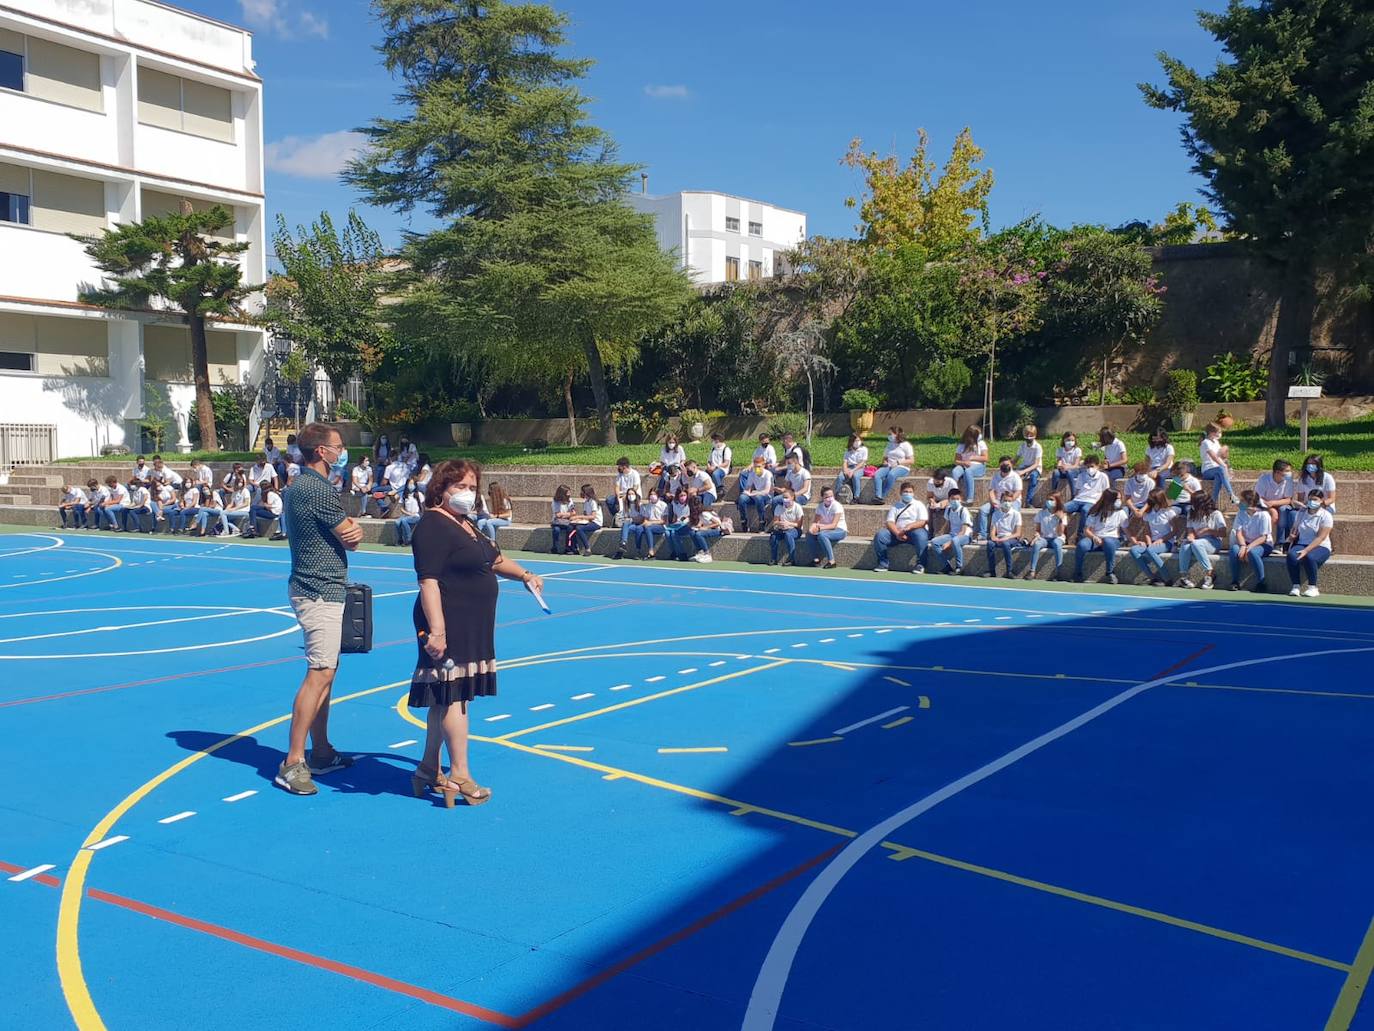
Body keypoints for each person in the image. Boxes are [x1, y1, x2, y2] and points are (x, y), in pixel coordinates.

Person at [407, 459, 543, 807]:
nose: (467, 493)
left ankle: (427, 768)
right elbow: (429, 581)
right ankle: (461, 774)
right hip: (449, 622)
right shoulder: (433, 526)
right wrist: (437, 631)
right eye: (460, 487)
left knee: (445, 696)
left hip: (473, 622)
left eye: (471, 487)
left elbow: (495, 561)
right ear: (441, 488)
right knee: (455, 696)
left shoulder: (467, 524)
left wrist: (526, 576)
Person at [276, 422, 364, 796]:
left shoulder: (299, 486)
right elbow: (351, 536)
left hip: (317, 586)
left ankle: (322, 750)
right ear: (321, 452)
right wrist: (352, 530)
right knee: (320, 672)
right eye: (338, 447)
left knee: (327, 670)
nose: (342, 452)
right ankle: (294, 760)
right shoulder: (318, 490)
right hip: (319, 589)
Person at [873, 481, 929, 574]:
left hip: (914, 532)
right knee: (880, 535)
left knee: (921, 535)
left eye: (910, 492)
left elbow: (923, 521)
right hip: (897, 533)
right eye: (905, 492)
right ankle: (883, 563)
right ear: (901, 493)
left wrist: (909, 527)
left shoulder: (919, 505)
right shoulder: (896, 506)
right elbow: (890, 522)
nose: (908, 494)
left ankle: (921, 564)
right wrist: (897, 533)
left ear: (913, 493)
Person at [1286, 489, 1334, 598]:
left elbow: (1321, 537)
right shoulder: (1301, 513)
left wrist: (1306, 550)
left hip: (1321, 546)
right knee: (1291, 556)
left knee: (1309, 557)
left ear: (1321, 501)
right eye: (1310, 499)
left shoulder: (1326, 516)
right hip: (1302, 543)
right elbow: (1295, 529)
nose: (1312, 501)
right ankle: (1296, 586)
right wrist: (1292, 536)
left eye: (1315, 499)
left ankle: (1313, 587)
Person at [1128, 489, 1181, 587]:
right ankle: (1152, 578)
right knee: (1134, 550)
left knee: (1150, 551)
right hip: (1152, 543)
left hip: (1166, 542)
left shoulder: (1169, 512)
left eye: (1152, 498)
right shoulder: (1148, 513)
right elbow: (1147, 531)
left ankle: (1167, 578)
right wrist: (1149, 543)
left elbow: (1175, 531)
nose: (1149, 499)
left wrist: (1161, 540)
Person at [1074, 489, 1127, 584]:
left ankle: (1110, 572)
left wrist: (1135, 541)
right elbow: (1086, 530)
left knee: (1108, 542)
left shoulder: (1121, 512)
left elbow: (1127, 530)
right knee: (1082, 545)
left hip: (1112, 539)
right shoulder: (1095, 512)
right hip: (1096, 539)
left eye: (1119, 498)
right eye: (1117, 499)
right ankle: (1077, 573)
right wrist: (1094, 537)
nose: (1119, 501)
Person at [1176, 491, 1227, 590]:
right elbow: (1190, 530)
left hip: (1213, 542)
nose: (1192, 504)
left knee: (1196, 544)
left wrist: (1208, 530)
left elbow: (1223, 533)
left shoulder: (1216, 514)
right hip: (1198, 541)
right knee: (1185, 545)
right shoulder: (1191, 513)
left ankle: (1210, 574)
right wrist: (1190, 537)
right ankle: (1184, 577)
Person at [1227, 489, 1273, 592]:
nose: (1240, 502)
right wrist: (1243, 545)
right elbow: (1238, 532)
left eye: (1242, 500)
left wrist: (1248, 548)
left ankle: (1261, 582)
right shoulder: (1241, 513)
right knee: (1234, 550)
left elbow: (1263, 537)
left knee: (1252, 553)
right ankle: (1235, 581)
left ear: (1250, 503)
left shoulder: (1264, 515)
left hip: (1264, 544)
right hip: (1246, 542)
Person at [975, 456, 1022, 542]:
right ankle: (983, 534)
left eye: (1007, 464)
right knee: (983, 510)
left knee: (1013, 512)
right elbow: (991, 490)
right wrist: (993, 501)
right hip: (998, 500)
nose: (1005, 466)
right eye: (1003, 464)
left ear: (1011, 465)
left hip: (1012, 500)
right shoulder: (996, 476)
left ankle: (1012, 536)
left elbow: (1018, 492)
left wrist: (1008, 502)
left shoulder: (1015, 476)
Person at [1255, 459, 1298, 553]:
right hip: (1264, 505)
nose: (1289, 473)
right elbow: (1259, 498)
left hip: (1281, 504)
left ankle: (1280, 543)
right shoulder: (1264, 479)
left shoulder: (1288, 480)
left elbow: (1288, 499)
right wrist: (1271, 509)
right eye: (1287, 471)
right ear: (1277, 472)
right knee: (1271, 513)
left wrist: (1273, 504)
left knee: (1283, 510)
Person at [1064, 454, 1109, 541]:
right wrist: (1074, 499)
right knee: (1061, 509)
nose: (1089, 469)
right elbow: (1077, 491)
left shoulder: (1103, 477)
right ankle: (1062, 534)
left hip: (1092, 501)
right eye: (1087, 467)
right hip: (1078, 500)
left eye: (1092, 466)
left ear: (1097, 465)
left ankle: (1080, 535)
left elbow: (1106, 492)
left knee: (1085, 510)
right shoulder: (1082, 476)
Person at [928, 488, 973, 575]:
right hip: (952, 534)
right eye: (953, 499)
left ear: (960, 499)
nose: (955, 501)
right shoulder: (948, 509)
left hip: (965, 536)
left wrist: (949, 543)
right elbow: (948, 525)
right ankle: (946, 567)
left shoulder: (964, 511)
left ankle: (959, 567)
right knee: (934, 542)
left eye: (957, 499)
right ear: (949, 499)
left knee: (955, 540)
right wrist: (944, 537)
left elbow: (963, 531)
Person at [1025, 492, 1068, 580]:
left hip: (1057, 538)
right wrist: (1036, 535)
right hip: (1045, 538)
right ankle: (1032, 571)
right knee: (1037, 544)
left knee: (1056, 544)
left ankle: (1059, 572)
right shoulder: (1041, 513)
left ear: (1057, 501)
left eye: (1051, 500)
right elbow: (1038, 530)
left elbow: (1060, 533)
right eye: (1048, 499)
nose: (1049, 501)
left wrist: (1060, 519)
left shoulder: (1062, 515)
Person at [984, 495, 1025, 579]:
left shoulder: (1016, 514)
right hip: (999, 538)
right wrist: (995, 538)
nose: (1007, 503)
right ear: (1001, 501)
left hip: (1011, 538)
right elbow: (992, 532)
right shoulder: (996, 514)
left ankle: (1009, 571)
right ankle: (992, 571)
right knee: (990, 544)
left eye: (1009, 501)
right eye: (1005, 500)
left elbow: (1018, 533)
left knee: (1006, 544)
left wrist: (1006, 538)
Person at [806, 485, 847, 569]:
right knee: (809, 535)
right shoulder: (820, 507)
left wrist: (820, 528)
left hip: (839, 530)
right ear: (822, 497)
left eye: (831, 496)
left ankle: (832, 561)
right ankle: (816, 560)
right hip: (825, 529)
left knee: (822, 535)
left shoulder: (837, 506)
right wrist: (811, 528)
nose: (829, 498)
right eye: (827, 496)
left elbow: (834, 525)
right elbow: (815, 522)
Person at [1199, 422, 1239, 505]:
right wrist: (1223, 466)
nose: (1220, 434)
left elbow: (1221, 456)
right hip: (1207, 470)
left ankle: (1213, 502)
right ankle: (1231, 494)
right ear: (1212, 432)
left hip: (1217, 470)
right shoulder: (1205, 442)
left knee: (1218, 477)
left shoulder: (1216, 442)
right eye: (1219, 432)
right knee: (1221, 469)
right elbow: (1214, 457)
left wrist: (1227, 465)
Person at [874, 426, 915, 504]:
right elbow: (885, 457)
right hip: (889, 466)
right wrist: (885, 462)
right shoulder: (889, 444)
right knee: (877, 474)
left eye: (890, 434)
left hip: (902, 467)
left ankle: (882, 496)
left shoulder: (905, 445)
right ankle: (877, 496)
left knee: (891, 475)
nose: (889, 436)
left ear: (897, 434)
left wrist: (899, 462)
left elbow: (911, 460)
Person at [952, 424, 988, 503]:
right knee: (955, 472)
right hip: (964, 465)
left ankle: (969, 498)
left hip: (978, 466)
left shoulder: (981, 444)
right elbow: (956, 461)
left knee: (968, 471)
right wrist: (963, 462)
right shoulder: (961, 445)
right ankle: (956, 495)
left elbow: (985, 458)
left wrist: (972, 458)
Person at [769, 487, 805, 566]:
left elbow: (799, 525)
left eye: (786, 497)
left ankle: (791, 559)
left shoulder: (797, 507)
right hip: (781, 529)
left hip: (795, 529)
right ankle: (773, 559)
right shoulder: (779, 507)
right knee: (773, 536)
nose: (784, 499)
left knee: (788, 535)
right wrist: (780, 524)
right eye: (783, 497)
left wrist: (788, 524)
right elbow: (775, 522)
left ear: (792, 497)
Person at [736, 459, 773, 533]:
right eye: (755, 467)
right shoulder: (752, 473)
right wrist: (746, 492)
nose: (757, 469)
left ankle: (762, 521)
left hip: (766, 496)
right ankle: (744, 521)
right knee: (742, 498)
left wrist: (753, 493)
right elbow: (748, 487)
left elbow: (767, 491)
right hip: (755, 494)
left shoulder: (768, 474)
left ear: (763, 465)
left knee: (758, 498)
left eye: (759, 466)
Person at [604, 457, 642, 526]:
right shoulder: (619, 475)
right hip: (622, 495)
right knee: (609, 500)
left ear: (624, 466)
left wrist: (627, 495)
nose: (618, 468)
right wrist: (618, 495)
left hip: (633, 495)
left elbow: (635, 487)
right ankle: (618, 516)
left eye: (619, 466)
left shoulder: (635, 473)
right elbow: (617, 486)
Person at [772, 453, 811, 519]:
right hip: (790, 495)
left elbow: (805, 489)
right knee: (775, 500)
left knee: (792, 501)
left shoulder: (805, 473)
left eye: (789, 463)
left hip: (803, 496)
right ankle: (776, 519)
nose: (788, 465)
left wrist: (794, 495)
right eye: (787, 463)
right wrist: (782, 490)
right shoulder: (789, 473)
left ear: (795, 461)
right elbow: (787, 487)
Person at [568, 484, 603, 556]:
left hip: (596, 522)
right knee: (571, 526)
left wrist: (578, 517)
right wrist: (578, 520)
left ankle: (587, 548)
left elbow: (593, 516)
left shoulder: (593, 502)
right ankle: (573, 548)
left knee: (579, 528)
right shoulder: (586, 502)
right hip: (588, 521)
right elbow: (585, 515)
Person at [634, 488, 669, 559]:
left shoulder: (663, 505)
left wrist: (651, 523)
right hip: (649, 524)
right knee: (638, 528)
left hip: (660, 526)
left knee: (648, 527)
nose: (652, 496)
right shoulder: (648, 506)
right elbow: (646, 519)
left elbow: (663, 521)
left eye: (654, 494)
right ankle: (638, 550)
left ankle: (651, 550)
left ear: (658, 496)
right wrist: (645, 523)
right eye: (651, 494)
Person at [611, 488, 644, 560]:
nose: (630, 496)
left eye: (632, 494)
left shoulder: (640, 505)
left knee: (638, 529)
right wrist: (630, 519)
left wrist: (632, 519)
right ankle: (623, 544)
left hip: (639, 524)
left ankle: (637, 551)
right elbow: (625, 516)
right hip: (630, 525)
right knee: (625, 526)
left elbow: (641, 518)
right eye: (629, 494)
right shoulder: (626, 505)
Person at [835, 432, 869, 502]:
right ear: (852, 441)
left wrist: (853, 471)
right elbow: (845, 462)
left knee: (855, 476)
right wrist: (845, 470)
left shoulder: (864, 449)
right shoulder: (848, 450)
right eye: (856, 441)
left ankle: (856, 497)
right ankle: (837, 495)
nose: (857, 442)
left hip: (859, 467)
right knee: (840, 477)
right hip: (849, 467)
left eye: (859, 440)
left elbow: (863, 462)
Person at [1014, 425, 1043, 505]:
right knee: (1013, 476)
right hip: (1025, 466)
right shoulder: (1022, 446)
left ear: (1035, 435)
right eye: (1027, 435)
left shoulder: (1038, 447)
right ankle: (1013, 499)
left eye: (1031, 435)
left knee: (1033, 477)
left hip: (1035, 468)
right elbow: (1016, 459)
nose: (1029, 437)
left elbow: (1036, 464)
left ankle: (1028, 502)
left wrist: (1023, 471)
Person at [925, 468, 958, 536]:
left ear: (944, 480)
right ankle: (930, 532)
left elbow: (955, 498)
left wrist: (944, 503)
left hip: (950, 501)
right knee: (929, 509)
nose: (936, 483)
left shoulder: (952, 483)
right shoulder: (930, 482)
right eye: (935, 481)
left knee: (946, 510)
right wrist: (932, 501)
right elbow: (929, 496)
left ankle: (941, 532)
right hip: (937, 500)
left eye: (938, 482)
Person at [665, 489, 695, 561]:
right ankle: (674, 552)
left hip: (687, 524)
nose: (682, 497)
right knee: (667, 533)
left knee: (673, 533)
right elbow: (675, 516)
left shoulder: (690, 503)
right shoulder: (674, 503)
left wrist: (685, 518)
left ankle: (682, 554)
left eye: (684, 495)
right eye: (681, 495)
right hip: (677, 524)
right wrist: (672, 523)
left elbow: (693, 516)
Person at [394, 477, 424, 546]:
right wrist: (408, 513)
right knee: (397, 522)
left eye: (412, 484)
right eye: (409, 484)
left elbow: (423, 507)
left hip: (416, 515)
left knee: (404, 521)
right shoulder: (404, 495)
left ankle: (408, 539)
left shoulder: (419, 494)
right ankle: (400, 539)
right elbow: (401, 508)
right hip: (407, 514)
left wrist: (420, 515)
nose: (411, 486)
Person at [549, 485, 575, 555]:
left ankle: (568, 548)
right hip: (557, 522)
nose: (569, 494)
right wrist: (568, 514)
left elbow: (573, 513)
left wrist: (564, 515)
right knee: (556, 530)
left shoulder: (570, 501)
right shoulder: (556, 502)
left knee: (571, 529)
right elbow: (557, 515)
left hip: (567, 522)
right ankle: (555, 547)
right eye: (568, 492)